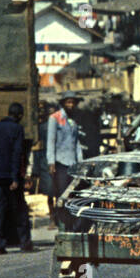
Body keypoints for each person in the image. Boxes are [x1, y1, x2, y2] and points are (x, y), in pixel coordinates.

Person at [0, 102, 29, 255]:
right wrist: (15, 178)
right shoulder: (18, 129)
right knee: (19, 211)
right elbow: (17, 154)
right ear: (20, 116)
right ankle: (25, 243)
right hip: (10, 177)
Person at [47, 92, 85, 225]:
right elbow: (51, 141)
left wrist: (81, 161)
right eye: (68, 102)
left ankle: (72, 222)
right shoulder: (55, 118)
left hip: (73, 162)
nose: (71, 105)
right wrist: (51, 162)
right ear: (63, 103)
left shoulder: (74, 120)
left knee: (73, 194)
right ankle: (62, 222)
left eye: (73, 102)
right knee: (62, 194)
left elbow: (76, 142)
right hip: (60, 162)